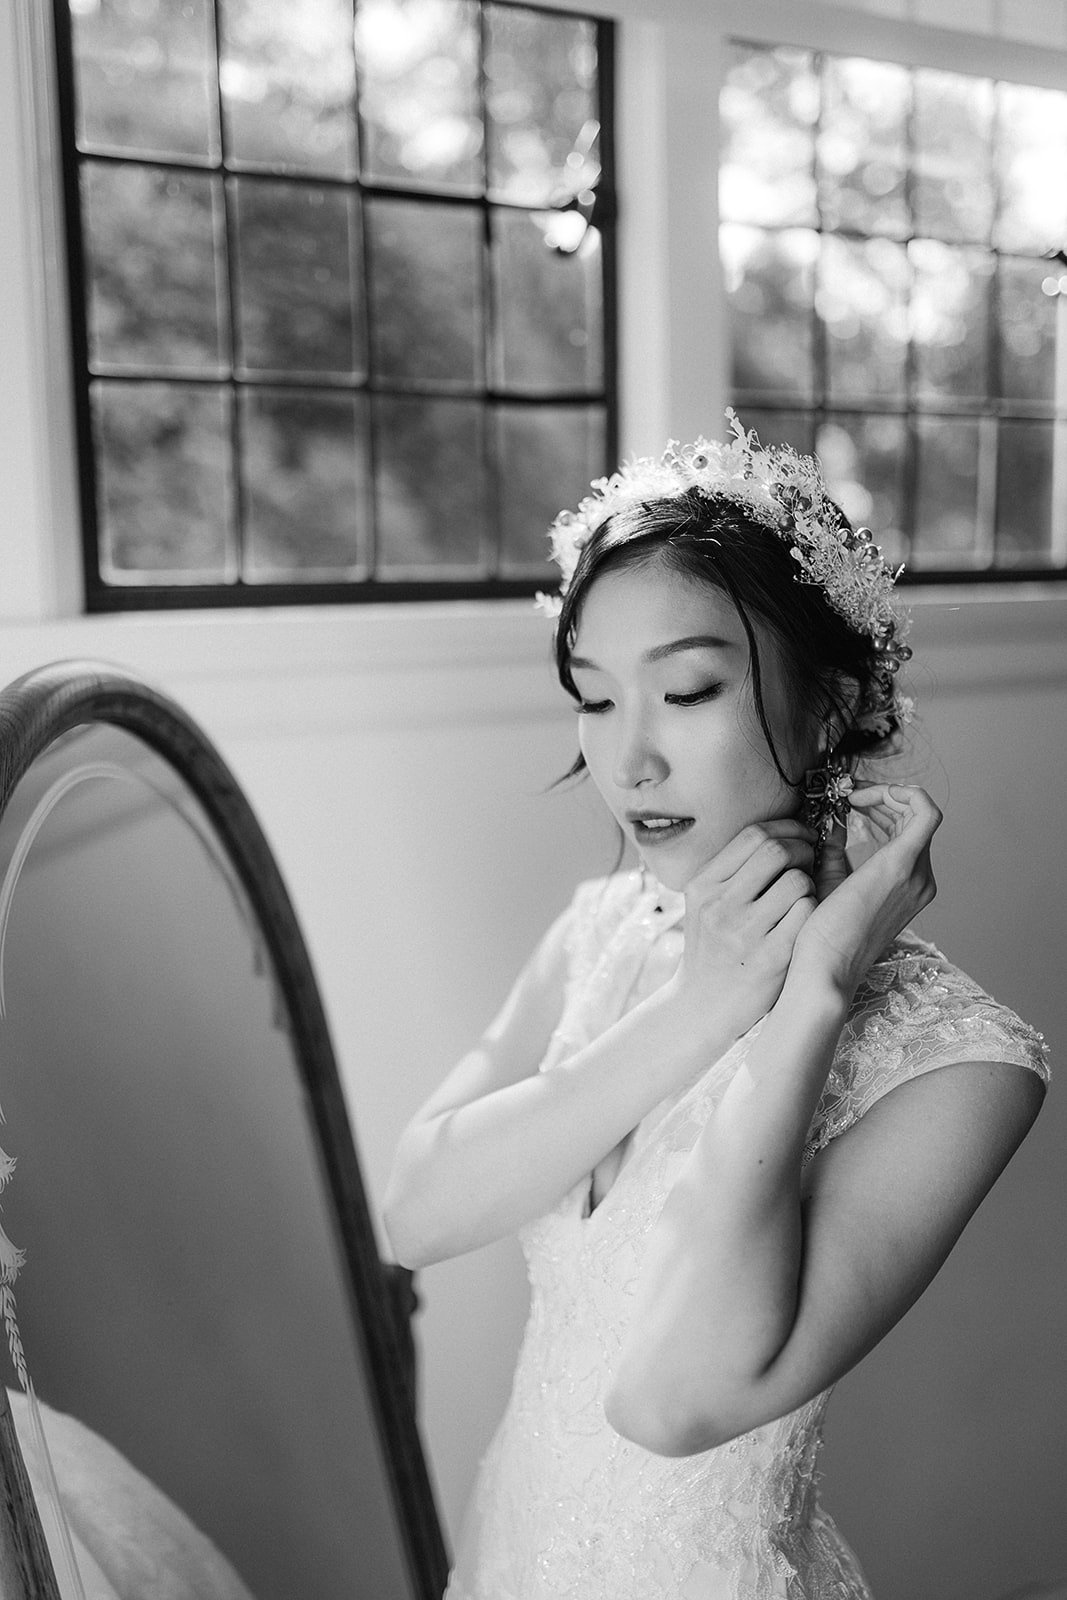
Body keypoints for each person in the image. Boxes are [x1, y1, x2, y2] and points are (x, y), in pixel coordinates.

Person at [383, 414, 1050, 1600]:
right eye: (593, 699)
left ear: (833, 703)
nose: (627, 759)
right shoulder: (598, 933)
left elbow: (671, 1398)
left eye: (685, 691)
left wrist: (807, 995)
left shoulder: (962, 1067)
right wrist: (696, 1006)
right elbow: (415, 1211)